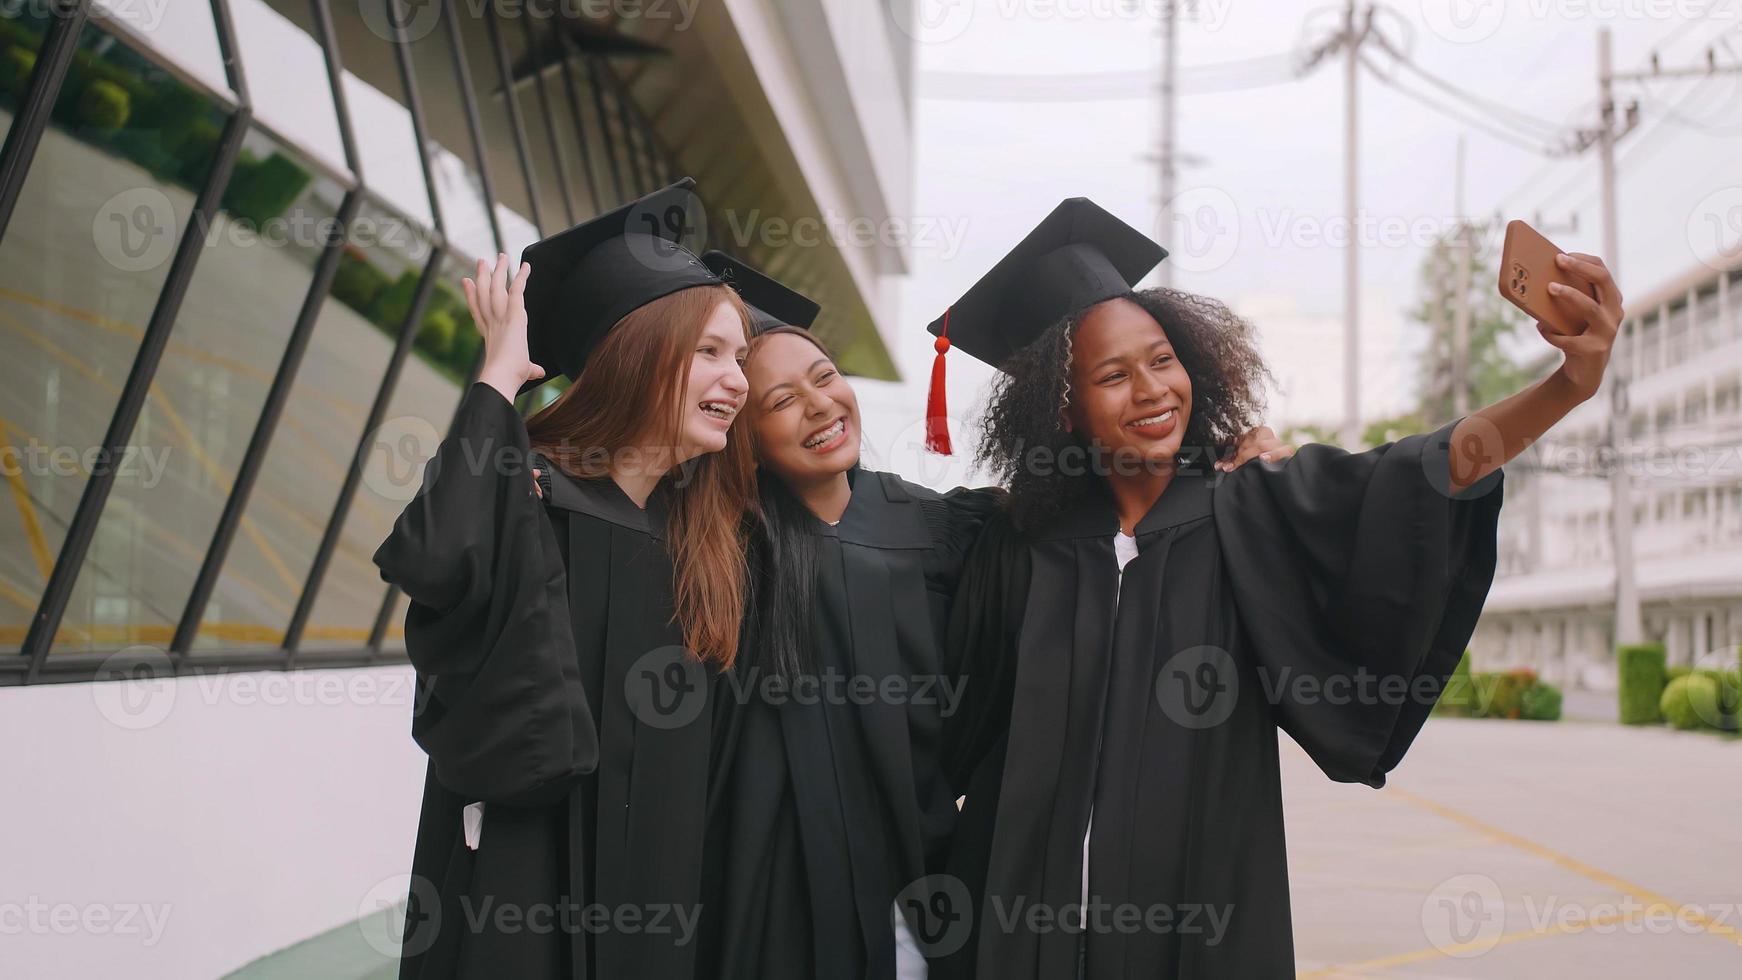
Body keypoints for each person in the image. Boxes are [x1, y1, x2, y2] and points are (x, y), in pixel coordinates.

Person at [928, 197, 1620, 978]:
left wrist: (1569, 385)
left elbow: (1425, 471)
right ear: (1065, 408)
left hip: (1195, 927)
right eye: (1113, 375)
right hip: (1014, 926)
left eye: (1162, 359)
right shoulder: (1012, 545)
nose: (1153, 390)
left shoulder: (1247, 511)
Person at [687, 253, 1291, 980]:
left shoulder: (947, 529)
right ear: (741, 434)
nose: (819, 405)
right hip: (775, 901)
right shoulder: (715, 549)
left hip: (920, 888)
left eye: (823, 377)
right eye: (780, 400)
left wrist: (1218, 461)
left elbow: (1084, 545)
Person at [371, 179, 758, 980]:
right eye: (711, 353)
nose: (738, 382)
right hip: (519, 884)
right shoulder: (531, 493)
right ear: (638, 353)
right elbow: (438, 557)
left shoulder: (702, 543)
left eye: (742, 359)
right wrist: (497, 381)